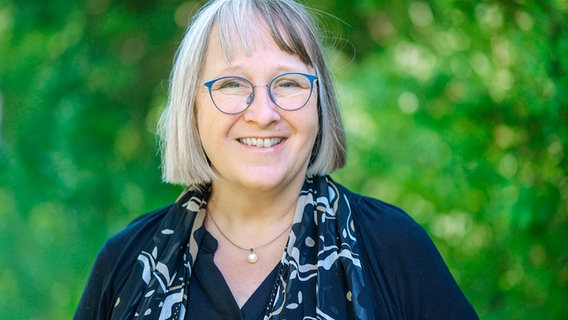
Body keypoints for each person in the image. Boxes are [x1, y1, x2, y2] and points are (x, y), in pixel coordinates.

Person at [75, 0, 479, 319]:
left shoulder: (394, 248)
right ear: (191, 107)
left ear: (320, 105)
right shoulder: (126, 263)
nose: (263, 113)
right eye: (233, 84)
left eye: (287, 83)